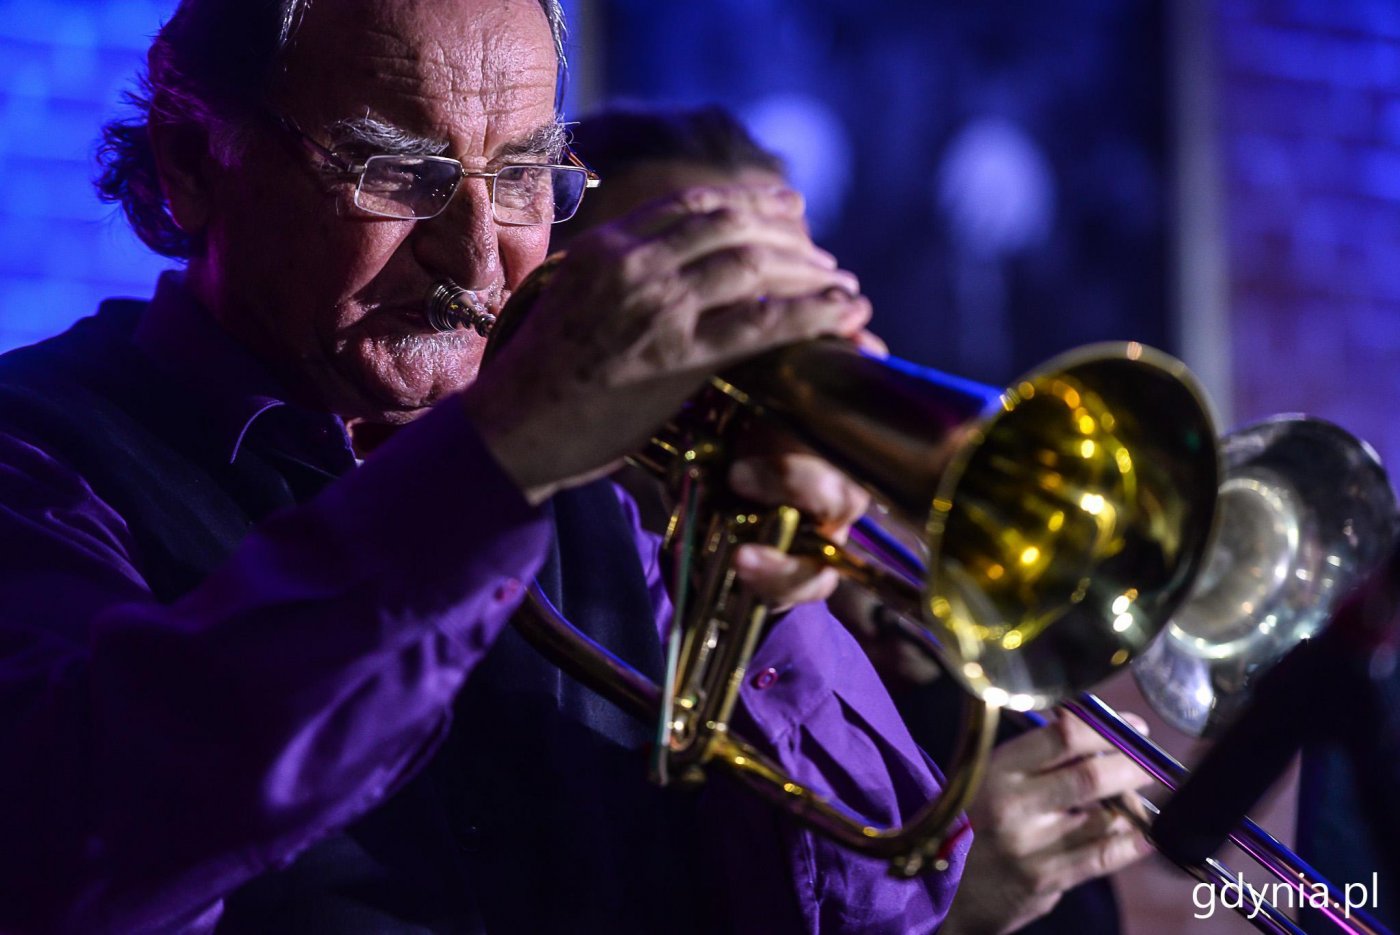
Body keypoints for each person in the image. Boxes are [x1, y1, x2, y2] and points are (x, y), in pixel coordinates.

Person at [0, 2, 963, 934]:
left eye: (522, 175)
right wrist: (493, 461)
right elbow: (71, 849)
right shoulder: (36, 450)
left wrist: (765, 599)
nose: (475, 255)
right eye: (396, 169)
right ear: (193, 161)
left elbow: (867, 909)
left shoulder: (601, 489)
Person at [555, 105, 1155, 935]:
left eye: (773, 299)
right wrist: (951, 898)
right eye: (691, 293)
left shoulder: (892, 643)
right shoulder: (536, 617)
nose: (746, 352)